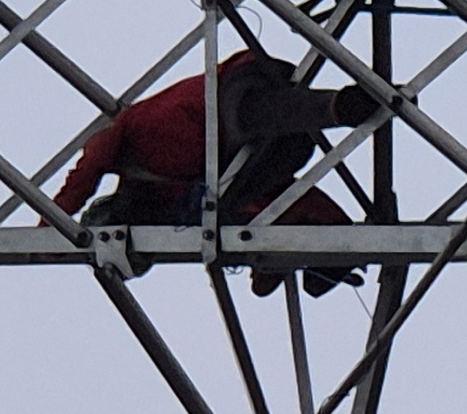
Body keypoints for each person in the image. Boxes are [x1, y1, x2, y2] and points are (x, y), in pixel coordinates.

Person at [58, 48, 379, 281]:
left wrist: (54, 228)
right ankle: (303, 253)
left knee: (246, 118)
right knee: (235, 207)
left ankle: (339, 108)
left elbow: (92, 163)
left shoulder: (125, 149)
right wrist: (336, 228)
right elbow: (274, 194)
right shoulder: (175, 198)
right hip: (272, 145)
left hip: (240, 88)